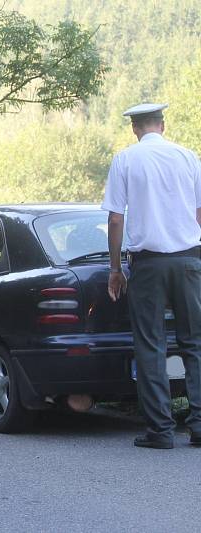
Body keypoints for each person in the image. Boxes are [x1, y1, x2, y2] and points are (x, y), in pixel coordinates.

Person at [104, 102, 201, 449]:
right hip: (190, 261)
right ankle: (200, 426)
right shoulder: (189, 157)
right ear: (162, 124)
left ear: (135, 129)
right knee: (195, 343)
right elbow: (200, 214)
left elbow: (116, 219)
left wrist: (116, 269)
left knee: (150, 345)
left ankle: (160, 430)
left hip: (147, 265)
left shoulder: (126, 160)